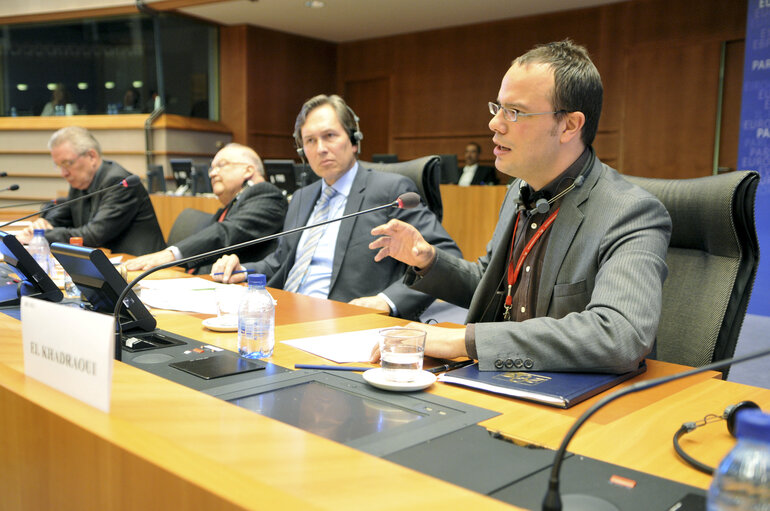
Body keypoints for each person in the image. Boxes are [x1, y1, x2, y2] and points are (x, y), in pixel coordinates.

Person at [369, 40, 672, 373]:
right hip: (502, 378)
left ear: (569, 125)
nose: (495, 124)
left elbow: (620, 335)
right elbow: (489, 286)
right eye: (497, 108)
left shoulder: (631, 212)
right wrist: (428, 261)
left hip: (578, 400)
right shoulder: (521, 190)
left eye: (514, 112)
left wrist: (465, 342)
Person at [211, 94, 460, 320]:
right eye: (310, 141)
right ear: (302, 152)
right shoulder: (301, 197)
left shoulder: (390, 191)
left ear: (353, 141)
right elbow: (280, 263)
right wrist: (242, 269)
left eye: (330, 136)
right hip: (283, 313)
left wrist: (386, 302)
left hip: (345, 320)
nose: (320, 149)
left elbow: (444, 256)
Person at [125, 143, 287, 273]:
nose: (212, 173)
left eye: (221, 165)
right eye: (211, 168)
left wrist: (171, 255)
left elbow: (225, 234)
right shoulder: (230, 206)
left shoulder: (267, 195)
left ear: (248, 170)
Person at [18, 126, 166, 256]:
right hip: (114, 265)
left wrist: (42, 236)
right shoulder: (81, 182)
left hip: (146, 270)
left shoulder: (118, 182)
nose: (64, 173)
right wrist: (45, 222)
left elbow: (93, 235)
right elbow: (65, 211)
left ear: (91, 156)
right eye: (59, 166)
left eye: (67, 163)